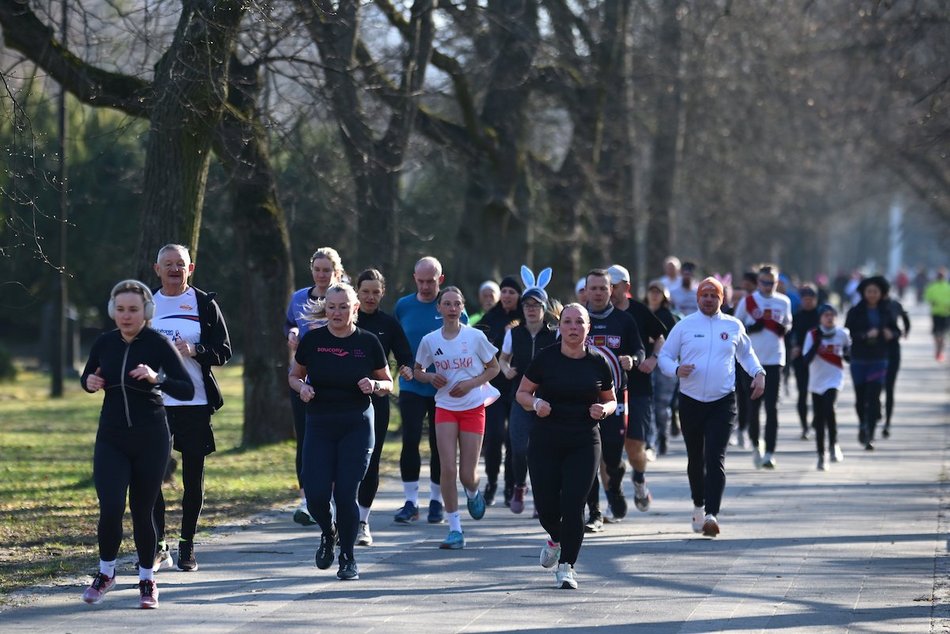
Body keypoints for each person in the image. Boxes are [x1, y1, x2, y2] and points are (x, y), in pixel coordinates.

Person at [80, 280, 194, 608]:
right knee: (111, 506)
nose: (126, 316)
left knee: (143, 511)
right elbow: (88, 376)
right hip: (112, 437)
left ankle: (147, 579)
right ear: (112, 312)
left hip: (151, 437)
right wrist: (89, 382)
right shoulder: (104, 343)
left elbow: (185, 389)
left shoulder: (157, 344)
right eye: (120, 310)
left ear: (146, 312)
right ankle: (106, 573)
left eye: (133, 309)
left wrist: (158, 378)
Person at [289, 283, 393, 581]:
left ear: (355, 308)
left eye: (343, 306)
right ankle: (328, 531)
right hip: (320, 423)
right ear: (326, 309)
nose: (337, 312)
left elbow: (388, 383)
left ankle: (348, 557)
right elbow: (294, 376)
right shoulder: (313, 340)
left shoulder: (368, 342)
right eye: (332, 307)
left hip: (356, 423)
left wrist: (374, 386)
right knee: (316, 496)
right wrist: (303, 387)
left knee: (346, 493)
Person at [516, 303, 617, 589]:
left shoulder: (598, 361)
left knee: (574, 505)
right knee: (547, 507)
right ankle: (556, 539)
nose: (573, 327)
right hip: (546, 439)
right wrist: (536, 404)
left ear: (588, 328)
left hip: (584, 440)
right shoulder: (546, 359)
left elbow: (611, 399)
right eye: (568, 322)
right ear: (559, 326)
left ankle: (567, 566)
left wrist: (605, 410)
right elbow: (522, 393)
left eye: (579, 322)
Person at [657, 277, 765, 537]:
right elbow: (665, 356)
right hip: (691, 400)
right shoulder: (685, 326)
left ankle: (711, 515)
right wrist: (675, 369)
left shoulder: (733, 325)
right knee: (696, 457)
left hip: (722, 401)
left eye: (713, 295)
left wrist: (758, 373)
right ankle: (698, 503)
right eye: (704, 295)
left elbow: (746, 355)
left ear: (722, 299)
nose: (708, 299)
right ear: (697, 298)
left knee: (715, 457)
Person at [149, 244, 231, 573]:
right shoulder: (147, 303)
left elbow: (224, 351)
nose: (173, 269)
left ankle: (187, 544)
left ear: (190, 268)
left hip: (195, 402)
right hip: (155, 403)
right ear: (157, 269)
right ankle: (157, 544)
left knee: (192, 479)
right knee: (151, 476)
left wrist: (196, 349)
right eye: (167, 264)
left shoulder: (203, 303)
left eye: (179, 264)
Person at [414, 286, 500, 549]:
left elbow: (494, 368)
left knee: (466, 474)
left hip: (473, 406)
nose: (452, 309)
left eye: (456, 304)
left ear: (462, 308)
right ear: (439, 309)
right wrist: (429, 376)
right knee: (447, 468)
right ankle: (454, 529)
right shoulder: (430, 340)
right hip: (445, 407)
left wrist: (472, 383)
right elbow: (418, 370)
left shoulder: (475, 337)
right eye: (447, 304)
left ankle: (473, 492)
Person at [393, 256, 467, 524]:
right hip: (412, 384)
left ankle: (437, 501)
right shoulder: (403, 306)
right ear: (414, 278)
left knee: (440, 446)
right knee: (410, 440)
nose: (425, 286)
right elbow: (397, 342)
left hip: (443, 388)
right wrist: (404, 366)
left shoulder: (451, 305)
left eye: (431, 281)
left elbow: (465, 345)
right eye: (421, 281)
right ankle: (410, 502)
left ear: (441, 280)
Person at [284, 247, 344, 525]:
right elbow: (289, 324)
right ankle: (307, 499)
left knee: (332, 441)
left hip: (336, 380)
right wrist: (293, 333)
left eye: (327, 270)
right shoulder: (298, 298)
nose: (321, 275)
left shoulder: (341, 298)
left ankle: (332, 497)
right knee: (306, 440)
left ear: (336, 272)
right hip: (302, 378)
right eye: (317, 269)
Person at [354, 269, 414, 546]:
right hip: (340, 400)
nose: (370, 297)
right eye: (365, 291)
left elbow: (405, 356)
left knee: (371, 462)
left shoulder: (388, 324)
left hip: (376, 402)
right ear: (356, 291)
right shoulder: (345, 318)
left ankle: (362, 522)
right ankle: (341, 514)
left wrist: (408, 368)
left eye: (375, 292)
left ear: (382, 293)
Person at [583, 269, 644, 532]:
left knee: (611, 455)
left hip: (616, 398)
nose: (597, 293)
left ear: (612, 291)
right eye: (593, 288)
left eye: (602, 288)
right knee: (588, 458)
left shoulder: (625, 320)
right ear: (586, 291)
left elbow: (639, 349)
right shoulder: (576, 319)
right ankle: (594, 513)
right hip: (582, 400)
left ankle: (615, 488)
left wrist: (634, 360)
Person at [608, 265, 667, 517]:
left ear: (626, 287)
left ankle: (639, 479)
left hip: (637, 388)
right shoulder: (597, 313)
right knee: (606, 448)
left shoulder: (639, 311)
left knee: (634, 446)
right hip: (605, 390)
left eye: (614, 285)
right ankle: (612, 495)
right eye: (605, 285)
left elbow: (661, 335)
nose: (609, 291)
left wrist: (653, 359)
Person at [498, 275, 558, 514]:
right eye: (527, 305)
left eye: (536, 305)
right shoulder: (514, 334)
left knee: (544, 450)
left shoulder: (554, 334)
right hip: (520, 397)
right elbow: (502, 359)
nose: (531, 310)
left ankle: (541, 497)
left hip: (548, 399)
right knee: (520, 447)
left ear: (544, 308)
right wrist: (506, 370)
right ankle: (519, 486)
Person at [733, 264, 793, 469]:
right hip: (751, 361)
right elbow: (736, 326)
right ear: (758, 282)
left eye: (772, 283)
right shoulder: (747, 302)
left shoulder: (783, 302)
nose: (768, 286)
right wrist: (751, 327)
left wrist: (784, 328)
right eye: (764, 282)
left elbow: (788, 324)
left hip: (775, 359)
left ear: (777, 283)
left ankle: (770, 452)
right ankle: (756, 445)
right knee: (753, 406)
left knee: (772, 407)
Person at [478, 275, 524, 506]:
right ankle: (492, 482)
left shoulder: (525, 318)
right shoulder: (490, 317)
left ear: (519, 296)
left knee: (514, 439)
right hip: (494, 385)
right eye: (504, 291)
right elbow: (478, 343)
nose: (506, 296)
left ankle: (510, 484)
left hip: (518, 387)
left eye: (511, 292)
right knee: (494, 436)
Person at [845, 276, 900, 450]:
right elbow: (847, 334)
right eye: (869, 291)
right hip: (859, 359)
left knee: (874, 396)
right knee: (860, 398)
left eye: (875, 291)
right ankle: (862, 424)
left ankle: (870, 433)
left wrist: (891, 333)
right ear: (863, 292)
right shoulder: (855, 311)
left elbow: (897, 330)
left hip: (879, 358)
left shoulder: (886, 311)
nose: (872, 295)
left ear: (881, 293)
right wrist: (864, 335)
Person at [801, 304, 851, 470]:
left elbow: (849, 355)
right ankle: (821, 455)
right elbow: (805, 360)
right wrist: (817, 344)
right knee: (820, 418)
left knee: (829, 408)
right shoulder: (812, 334)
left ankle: (834, 444)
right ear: (820, 318)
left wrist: (848, 353)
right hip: (816, 382)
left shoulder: (842, 334)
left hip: (834, 379)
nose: (829, 318)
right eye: (826, 315)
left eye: (832, 315)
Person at [644, 280, 680, 455]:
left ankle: (662, 435)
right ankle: (649, 441)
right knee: (648, 403)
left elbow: (673, 341)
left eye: (658, 292)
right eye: (652, 291)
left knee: (661, 406)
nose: (654, 294)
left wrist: (655, 340)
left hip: (664, 366)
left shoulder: (668, 316)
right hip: (645, 363)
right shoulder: (641, 312)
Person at [789, 285, 820, 441]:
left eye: (810, 299)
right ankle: (804, 427)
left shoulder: (820, 316)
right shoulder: (797, 316)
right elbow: (790, 335)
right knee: (802, 393)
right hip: (800, 359)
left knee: (817, 393)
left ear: (816, 300)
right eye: (805, 300)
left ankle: (815, 421)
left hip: (819, 360)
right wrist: (794, 347)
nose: (807, 302)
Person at [882, 285, 910, 438]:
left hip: (892, 350)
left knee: (889, 387)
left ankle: (887, 422)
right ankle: (876, 410)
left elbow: (905, 319)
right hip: (875, 353)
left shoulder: (895, 305)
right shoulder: (869, 307)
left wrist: (904, 331)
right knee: (876, 387)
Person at [924, 268, 950, 362]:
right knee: (937, 334)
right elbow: (927, 297)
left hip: (946, 314)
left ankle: (940, 352)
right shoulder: (932, 286)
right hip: (936, 313)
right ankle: (938, 349)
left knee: (942, 334)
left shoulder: (948, 287)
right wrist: (932, 301)